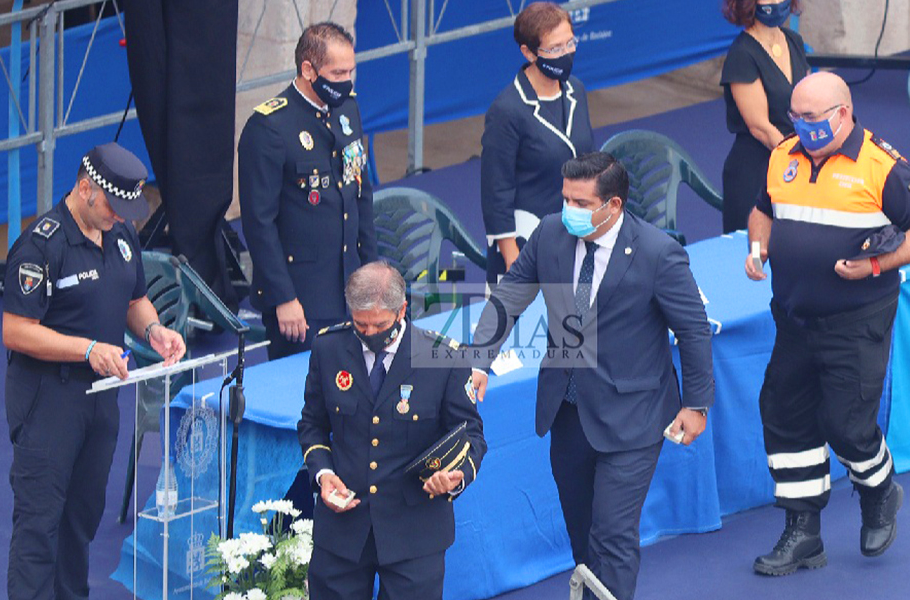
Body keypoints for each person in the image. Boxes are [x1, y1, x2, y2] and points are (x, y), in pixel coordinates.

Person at [470, 152, 715, 600]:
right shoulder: (549, 233)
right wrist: (479, 357)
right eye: (565, 199)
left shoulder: (658, 253)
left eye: (581, 203)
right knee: (583, 537)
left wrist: (696, 404)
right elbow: (509, 296)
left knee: (612, 537)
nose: (569, 211)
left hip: (634, 416)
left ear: (614, 206)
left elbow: (693, 329)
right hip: (568, 413)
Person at [745, 72, 910, 576]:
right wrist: (757, 246)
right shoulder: (782, 155)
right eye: (795, 116)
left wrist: (876, 265)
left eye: (811, 117)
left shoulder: (883, 166)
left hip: (856, 321)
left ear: (843, 114)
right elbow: (762, 211)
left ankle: (880, 491)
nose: (800, 125)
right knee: (785, 416)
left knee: (846, 423)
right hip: (792, 318)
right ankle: (802, 533)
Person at [1, 143, 187, 599]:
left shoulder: (121, 236)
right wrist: (86, 350)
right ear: (85, 188)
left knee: (81, 518)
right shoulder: (41, 246)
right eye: (113, 205)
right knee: (40, 526)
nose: (121, 216)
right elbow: (16, 331)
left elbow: (132, 298)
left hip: (102, 399)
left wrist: (154, 330)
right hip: (49, 401)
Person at [297, 261, 487, 599]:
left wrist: (453, 474)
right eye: (360, 324)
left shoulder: (442, 357)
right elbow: (312, 424)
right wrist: (324, 474)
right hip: (344, 531)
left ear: (401, 310)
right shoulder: (328, 349)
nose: (369, 334)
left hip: (414, 531)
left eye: (379, 325)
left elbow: (471, 436)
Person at [239, 21, 377, 361]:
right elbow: (259, 223)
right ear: (308, 69)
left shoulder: (348, 109)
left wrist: (372, 273)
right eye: (338, 72)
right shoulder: (270, 127)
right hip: (302, 300)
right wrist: (283, 297)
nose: (346, 81)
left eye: (351, 72)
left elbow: (360, 193)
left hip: (350, 285)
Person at [480, 1, 594, 284]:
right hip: (526, 242)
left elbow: (589, 158)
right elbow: (497, 191)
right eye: (555, 49)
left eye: (570, 43)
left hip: (575, 236)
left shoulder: (576, 91)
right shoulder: (507, 110)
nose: (566, 54)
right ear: (529, 53)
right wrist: (512, 258)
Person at [720, 0, 809, 233]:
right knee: (755, 258)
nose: (776, 3)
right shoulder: (742, 53)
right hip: (756, 173)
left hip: (796, 164)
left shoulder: (794, 41)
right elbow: (760, 127)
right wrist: (799, 159)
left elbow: (811, 102)